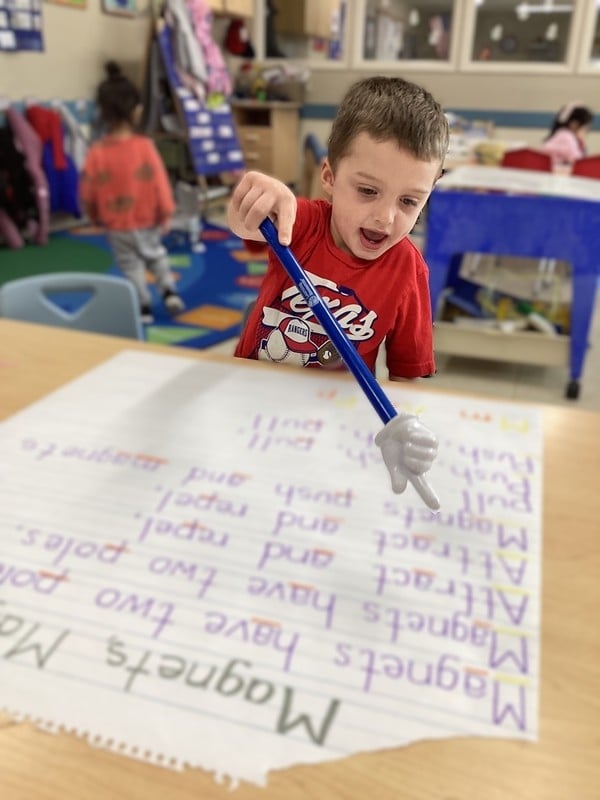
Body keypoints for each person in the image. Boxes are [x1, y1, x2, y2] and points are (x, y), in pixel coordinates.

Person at [227, 76, 449, 511]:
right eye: (367, 191)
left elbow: (410, 379)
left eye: (409, 201)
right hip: (246, 406)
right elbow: (245, 227)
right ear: (328, 175)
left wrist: (413, 428)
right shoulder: (300, 225)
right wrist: (252, 200)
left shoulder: (408, 271)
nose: (385, 218)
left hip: (330, 430)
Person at [80, 62, 184, 324]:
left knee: (131, 267)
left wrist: (93, 216)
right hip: (147, 219)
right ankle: (169, 291)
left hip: (117, 225)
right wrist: (167, 212)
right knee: (156, 255)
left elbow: (88, 191)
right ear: (134, 111)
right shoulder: (145, 146)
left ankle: (144, 306)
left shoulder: (97, 151)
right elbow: (160, 183)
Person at [541, 103, 593, 169]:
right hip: (557, 176)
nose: (586, 133)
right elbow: (579, 162)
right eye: (586, 129)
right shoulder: (567, 137)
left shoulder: (559, 135)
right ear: (575, 125)